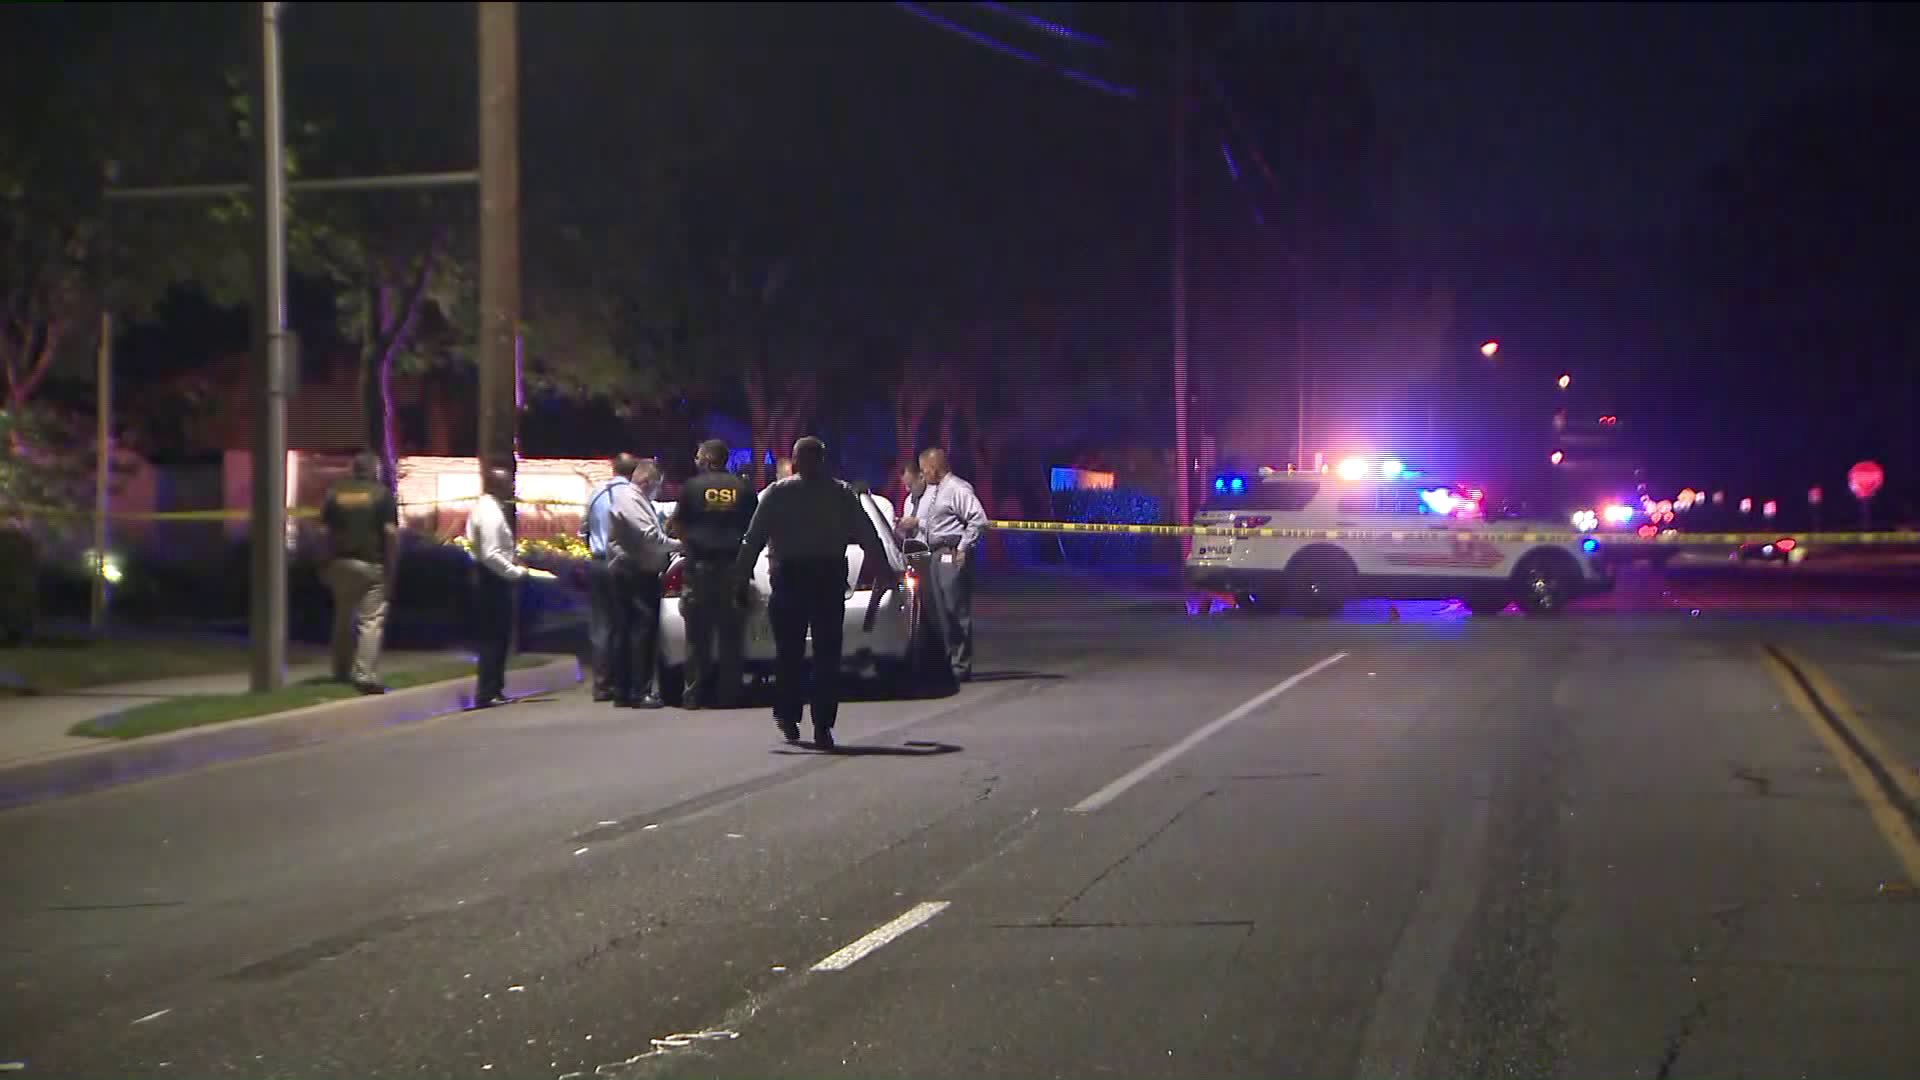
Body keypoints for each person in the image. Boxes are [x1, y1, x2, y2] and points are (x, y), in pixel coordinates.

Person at [738, 436, 895, 749]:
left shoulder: (777, 493)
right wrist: (884, 572)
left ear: (794, 462)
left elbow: (752, 539)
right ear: (823, 461)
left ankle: (787, 713)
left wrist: (739, 578)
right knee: (826, 655)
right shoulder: (840, 493)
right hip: (827, 579)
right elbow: (868, 536)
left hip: (790, 578)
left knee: (789, 653)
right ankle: (823, 724)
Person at [669, 439, 758, 709]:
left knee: (697, 635)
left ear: (707, 459)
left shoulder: (692, 487)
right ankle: (729, 694)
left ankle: (695, 694)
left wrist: (690, 546)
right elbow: (755, 527)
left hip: (699, 570)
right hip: (734, 569)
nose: (696, 461)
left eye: (698, 457)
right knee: (731, 634)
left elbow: (677, 524)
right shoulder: (742, 487)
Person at [467, 464, 556, 708]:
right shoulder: (488, 513)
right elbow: (491, 553)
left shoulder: (491, 508)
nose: (512, 486)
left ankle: (495, 687)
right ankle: (488, 691)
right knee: (493, 637)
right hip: (492, 579)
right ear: (495, 484)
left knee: (499, 636)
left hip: (493, 577)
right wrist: (515, 572)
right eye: (508, 482)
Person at [320, 451, 398, 694]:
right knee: (370, 620)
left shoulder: (335, 493)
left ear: (353, 470)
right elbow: (391, 534)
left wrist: (323, 563)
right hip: (369, 565)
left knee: (342, 618)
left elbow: (323, 533)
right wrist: (391, 568)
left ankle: (340, 671)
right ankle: (364, 674)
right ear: (375, 470)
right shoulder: (381, 495)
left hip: (339, 564)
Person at [605, 457, 679, 708]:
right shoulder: (630, 499)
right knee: (641, 632)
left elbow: (658, 512)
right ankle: (638, 690)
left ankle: (625, 689)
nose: (657, 489)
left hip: (633, 570)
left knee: (628, 631)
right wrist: (681, 545)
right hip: (634, 572)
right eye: (657, 484)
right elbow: (649, 537)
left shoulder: (636, 499)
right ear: (646, 481)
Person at [913, 447, 988, 681]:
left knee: (955, 609)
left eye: (925, 471)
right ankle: (947, 662)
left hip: (951, 553)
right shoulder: (936, 491)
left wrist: (964, 547)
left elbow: (978, 519)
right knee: (940, 612)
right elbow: (939, 521)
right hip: (935, 555)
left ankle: (961, 664)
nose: (924, 476)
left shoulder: (957, 489)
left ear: (935, 468)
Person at [579, 454, 640, 702]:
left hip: (597, 562)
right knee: (624, 623)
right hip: (621, 562)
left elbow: (583, 528)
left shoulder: (595, 493)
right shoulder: (632, 495)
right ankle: (621, 680)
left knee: (601, 624)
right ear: (634, 471)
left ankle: (601, 683)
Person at [896, 459, 929, 541]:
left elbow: (943, 527)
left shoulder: (936, 497)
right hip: (912, 550)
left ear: (921, 477)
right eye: (905, 485)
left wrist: (917, 523)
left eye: (910, 485)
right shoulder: (908, 500)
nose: (907, 489)